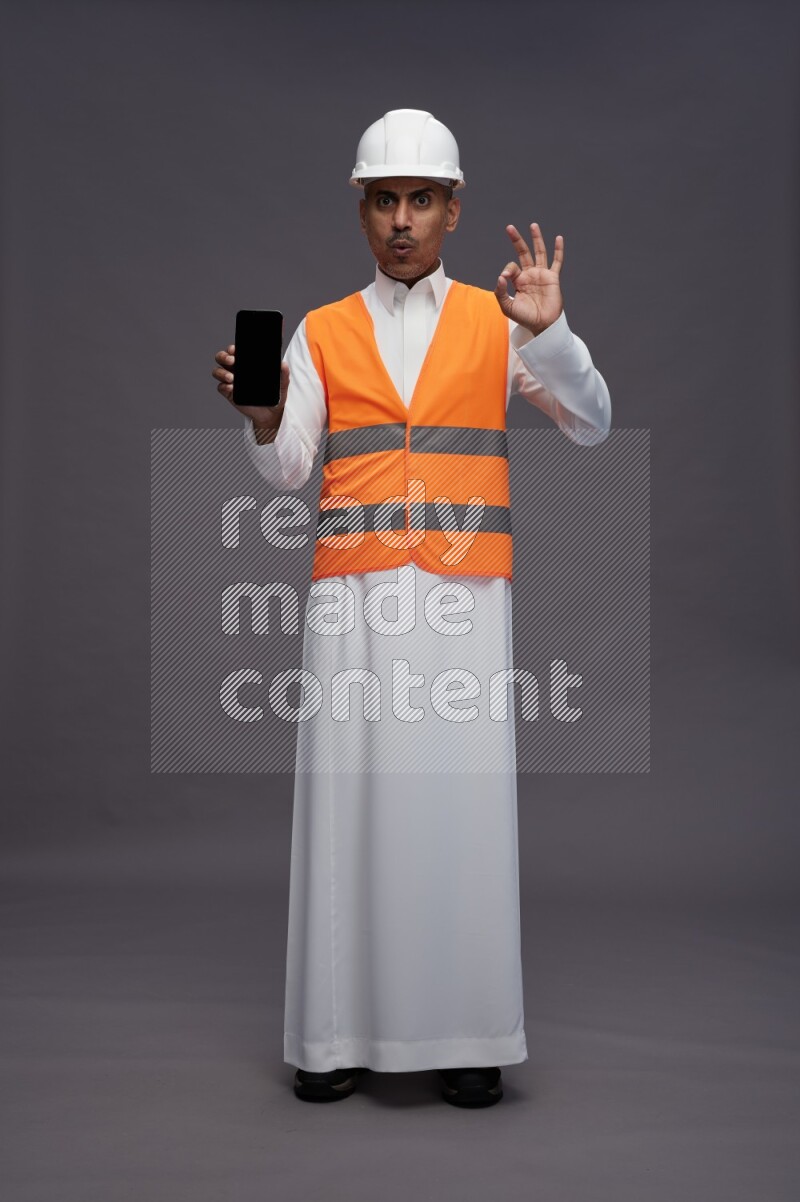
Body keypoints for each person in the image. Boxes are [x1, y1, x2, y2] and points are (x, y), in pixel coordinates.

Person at [212, 109, 611, 1108]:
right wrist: (263, 416)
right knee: (345, 806)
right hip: (352, 600)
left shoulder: (499, 320)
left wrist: (552, 332)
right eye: (384, 200)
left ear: (451, 210)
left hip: (464, 600)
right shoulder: (320, 330)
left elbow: (592, 423)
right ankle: (333, 1035)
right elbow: (286, 469)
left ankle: (468, 1034)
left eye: (420, 199)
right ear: (361, 211)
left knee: (460, 809)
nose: (401, 219)